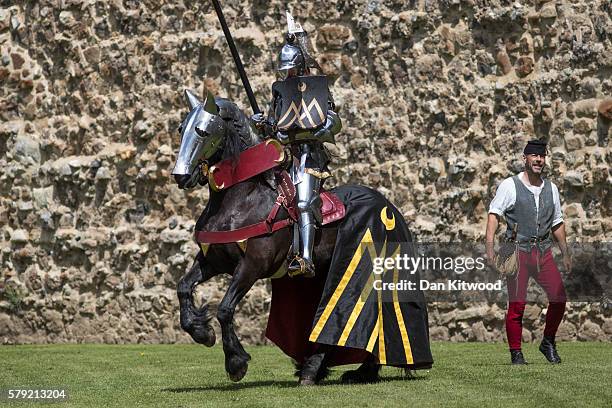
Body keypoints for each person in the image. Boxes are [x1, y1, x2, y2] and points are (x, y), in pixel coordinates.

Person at [251, 12, 341, 278]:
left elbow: (333, 121)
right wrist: (262, 125)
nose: (286, 72)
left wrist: (314, 129)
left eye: (290, 67)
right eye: (284, 68)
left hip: (309, 158)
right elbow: (274, 128)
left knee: (303, 204)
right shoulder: (280, 93)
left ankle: (306, 259)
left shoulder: (316, 89)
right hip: (285, 158)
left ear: (300, 65)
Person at [485, 139, 572, 365]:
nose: (538, 160)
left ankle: (548, 341)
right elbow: (494, 215)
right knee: (517, 305)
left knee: (559, 298)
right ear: (525, 158)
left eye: (542, 156)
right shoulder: (509, 185)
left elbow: (557, 222)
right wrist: (490, 247)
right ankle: (516, 353)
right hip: (517, 251)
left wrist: (565, 252)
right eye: (534, 156)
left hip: (542, 252)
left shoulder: (551, 188)